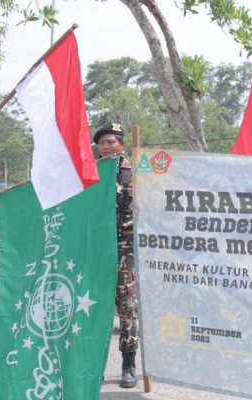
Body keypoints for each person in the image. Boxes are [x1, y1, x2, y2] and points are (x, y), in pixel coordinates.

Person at [93, 123, 139, 389]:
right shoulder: (90, 172)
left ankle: (128, 365)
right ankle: (93, 366)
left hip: (125, 248)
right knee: (95, 308)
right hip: (96, 248)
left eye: (112, 142)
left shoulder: (134, 172)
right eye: (102, 142)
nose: (107, 146)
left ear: (121, 144)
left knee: (127, 307)